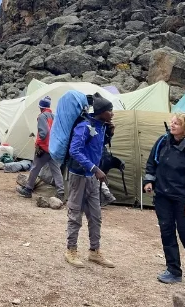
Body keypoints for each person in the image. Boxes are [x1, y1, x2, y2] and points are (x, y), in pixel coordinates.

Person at [143, 112, 185, 284]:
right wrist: (149, 180)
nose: (172, 125)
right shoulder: (163, 141)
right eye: (172, 122)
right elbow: (152, 162)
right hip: (163, 195)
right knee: (167, 231)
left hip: (183, 198)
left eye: (176, 123)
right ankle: (174, 271)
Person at [63, 92, 115, 269]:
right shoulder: (84, 126)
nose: (112, 113)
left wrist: (109, 134)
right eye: (110, 110)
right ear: (101, 112)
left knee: (95, 215)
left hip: (92, 177)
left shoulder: (101, 126)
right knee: (75, 214)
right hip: (79, 176)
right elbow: (74, 151)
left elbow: (96, 147)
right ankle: (71, 250)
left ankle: (94, 251)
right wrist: (95, 168)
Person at [16, 96, 64, 200]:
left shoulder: (42, 116)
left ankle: (28, 189)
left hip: (43, 148)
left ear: (41, 107)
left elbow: (43, 132)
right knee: (56, 170)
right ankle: (61, 192)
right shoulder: (54, 116)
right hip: (53, 148)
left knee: (35, 168)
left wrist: (38, 143)